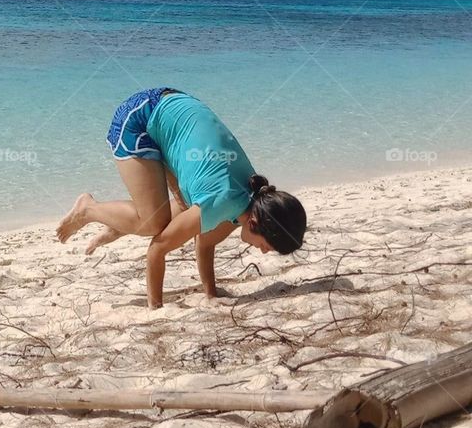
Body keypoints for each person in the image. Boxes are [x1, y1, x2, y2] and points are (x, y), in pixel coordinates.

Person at [56, 87, 307, 308]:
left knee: (180, 210)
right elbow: (157, 249)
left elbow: (205, 243)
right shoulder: (221, 203)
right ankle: (88, 209)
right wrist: (156, 308)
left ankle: (118, 227)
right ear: (256, 223)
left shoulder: (248, 198)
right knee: (154, 224)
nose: (263, 252)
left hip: (174, 109)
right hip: (140, 117)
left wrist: (210, 294)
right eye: (268, 246)